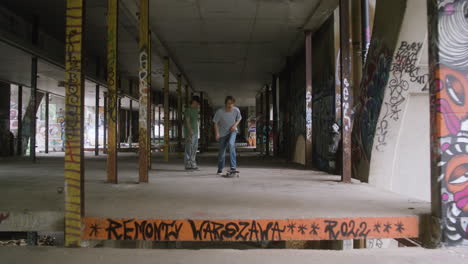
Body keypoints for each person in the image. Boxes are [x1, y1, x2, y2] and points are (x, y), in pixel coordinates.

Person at [213, 96, 242, 175]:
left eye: (232, 104)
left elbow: (239, 118)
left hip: (232, 131)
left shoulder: (236, 110)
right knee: (221, 153)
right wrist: (217, 133)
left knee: (231, 144)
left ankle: (233, 167)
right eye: (228, 103)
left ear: (233, 104)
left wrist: (235, 126)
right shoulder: (220, 112)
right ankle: (220, 168)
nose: (230, 105)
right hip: (222, 133)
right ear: (225, 104)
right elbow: (215, 123)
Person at [184, 96, 200, 170]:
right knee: (189, 148)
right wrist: (190, 130)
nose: (197, 105)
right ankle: (188, 165)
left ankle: (193, 164)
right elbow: (187, 121)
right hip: (189, 132)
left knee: (194, 148)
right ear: (193, 102)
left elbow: (196, 122)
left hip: (196, 132)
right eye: (196, 103)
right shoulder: (188, 110)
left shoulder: (196, 111)